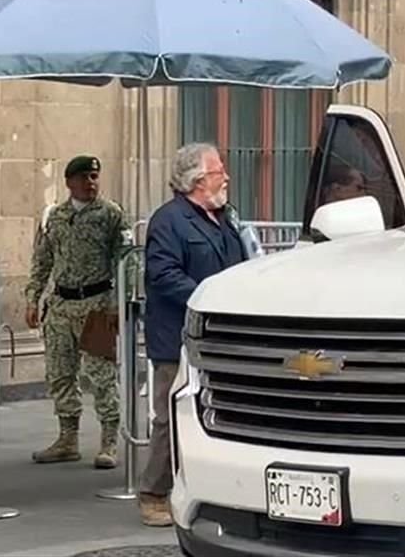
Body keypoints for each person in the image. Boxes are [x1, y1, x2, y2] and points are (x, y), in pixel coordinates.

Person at [138, 143, 253, 526]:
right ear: (199, 180)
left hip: (222, 338)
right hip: (178, 338)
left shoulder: (224, 218)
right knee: (171, 416)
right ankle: (153, 493)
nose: (227, 177)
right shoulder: (169, 221)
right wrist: (208, 298)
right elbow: (164, 275)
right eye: (220, 170)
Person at [25, 155, 133, 469]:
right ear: (69, 182)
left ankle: (109, 440)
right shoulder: (54, 217)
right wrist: (33, 298)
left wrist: (119, 302)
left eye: (95, 176)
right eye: (84, 177)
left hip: (97, 303)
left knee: (101, 375)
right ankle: (67, 438)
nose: (91, 183)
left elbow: (126, 260)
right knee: (60, 373)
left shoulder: (110, 214)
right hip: (60, 306)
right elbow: (42, 261)